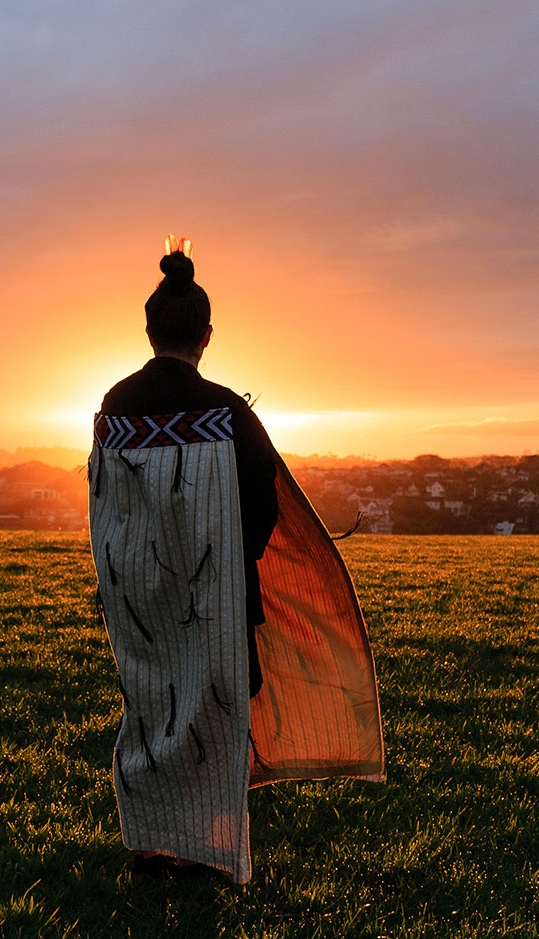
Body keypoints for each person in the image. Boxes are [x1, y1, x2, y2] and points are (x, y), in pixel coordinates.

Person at [89, 237, 386, 884]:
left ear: (149, 330)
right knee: (218, 717)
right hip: (216, 594)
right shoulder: (225, 412)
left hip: (137, 592)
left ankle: (149, 849)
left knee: (149, 710)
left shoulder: (114, 406)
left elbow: (107, 503)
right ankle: (206, 854)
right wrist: (225, 565)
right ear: (206, 334)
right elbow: (264, 505)